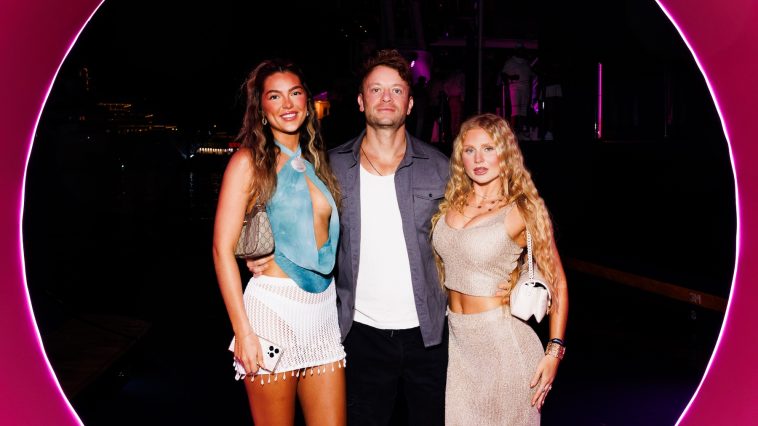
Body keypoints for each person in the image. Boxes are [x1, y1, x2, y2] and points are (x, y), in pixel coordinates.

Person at [213, 59, 346, 426]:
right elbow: (221, 250)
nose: (287, 104)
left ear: (307, 102)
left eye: (295, 93)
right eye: (275, 96)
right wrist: (243, 331)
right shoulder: (247, 162)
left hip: (323, 315)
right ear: (261, 108)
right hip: (272, 314)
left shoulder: (316, 162)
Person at [329, 49, 450, 425]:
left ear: (410, 104)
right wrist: (265, 253)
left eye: (396, 90)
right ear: (360, 100)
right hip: (359, 334)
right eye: (376, 89)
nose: (386, 98)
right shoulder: (331, 166)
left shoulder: (441, 168)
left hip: (429, 335)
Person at [431, 113, 568, 425]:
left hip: (505, 348)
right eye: (470, 150)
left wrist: (554, 352)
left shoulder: (522, 209)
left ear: (505, 153)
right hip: (460, 348)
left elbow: (557, 281)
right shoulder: (452, 202)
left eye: (489, 149)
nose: (478, 159)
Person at [502, 45, 536, 139]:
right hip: (515, 87)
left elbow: (531, 75)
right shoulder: (510, 62)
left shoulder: (526, 62)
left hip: (525, 88)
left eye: (522, 50)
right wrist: (511, 77)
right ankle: (513, 132)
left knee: (523, 111)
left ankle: (521, 131)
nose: (521, 52)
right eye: (519, 50)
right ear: (516, 51)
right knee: (515, 110)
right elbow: (503, 74)